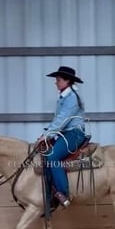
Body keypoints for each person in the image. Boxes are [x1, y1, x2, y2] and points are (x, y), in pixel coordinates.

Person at [37, 66, 87, 208]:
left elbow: (62, 120)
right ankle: (50, 194)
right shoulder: (65, 96)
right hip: (65, 133)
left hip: (74, 134)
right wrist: (46, 135)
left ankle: (63, 193)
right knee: (45, 155)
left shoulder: (71, 98)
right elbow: (58, 120)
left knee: (52, 157)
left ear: (68, 81)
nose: (56, 83)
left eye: (58, 80)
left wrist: (48, 136)